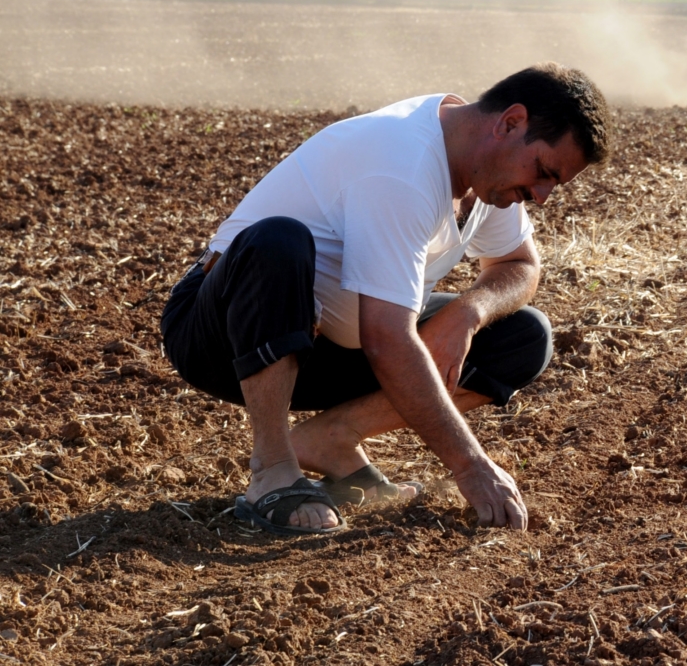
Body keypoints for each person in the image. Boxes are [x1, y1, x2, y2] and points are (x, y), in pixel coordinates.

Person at [159, 63, 610, 535]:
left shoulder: (488, 177)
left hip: (331, 346)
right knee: (277, 242)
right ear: (510, 122)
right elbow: (386, 339)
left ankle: (333, 437)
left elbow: (520, 265)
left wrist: (468, 313)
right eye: (543, 172)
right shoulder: (402, 164)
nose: (540, 195)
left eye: (553, 184)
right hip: (224, 336)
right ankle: (272, 469)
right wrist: (470, 465)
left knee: (523, 335)